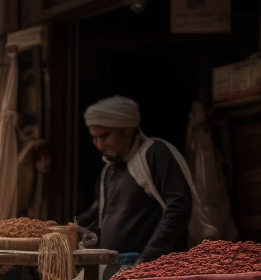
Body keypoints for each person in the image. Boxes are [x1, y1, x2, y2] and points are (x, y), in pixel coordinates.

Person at [75, 96, 196, 271]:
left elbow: (178, 207)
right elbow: (103, 219)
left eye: (105, 136)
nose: (99, 145)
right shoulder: (109, 169)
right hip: (113, 271)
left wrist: (145, 262)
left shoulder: (155, 154)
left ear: (128, 130)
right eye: (94, 138)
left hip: (153, 272)